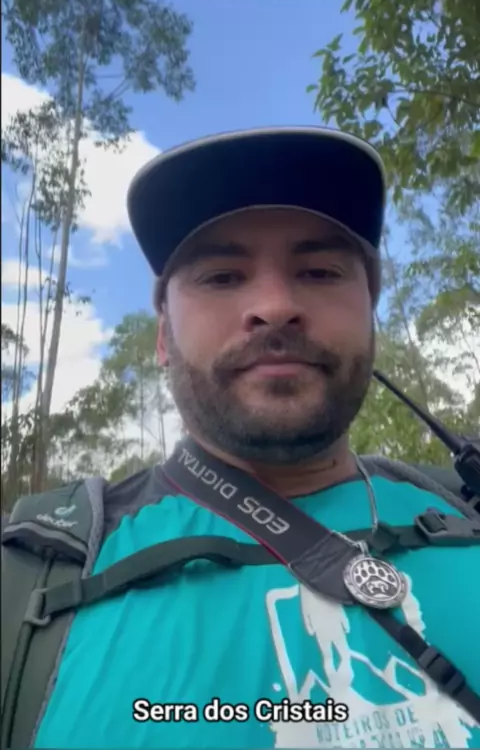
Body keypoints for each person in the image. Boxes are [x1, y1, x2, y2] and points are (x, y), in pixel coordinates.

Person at [3, 128, 480, 750]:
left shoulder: (465, 513)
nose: (275, 306)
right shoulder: (33, 576)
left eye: (319, 271)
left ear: (370, 315)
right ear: (163, 338)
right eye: (223, 276)